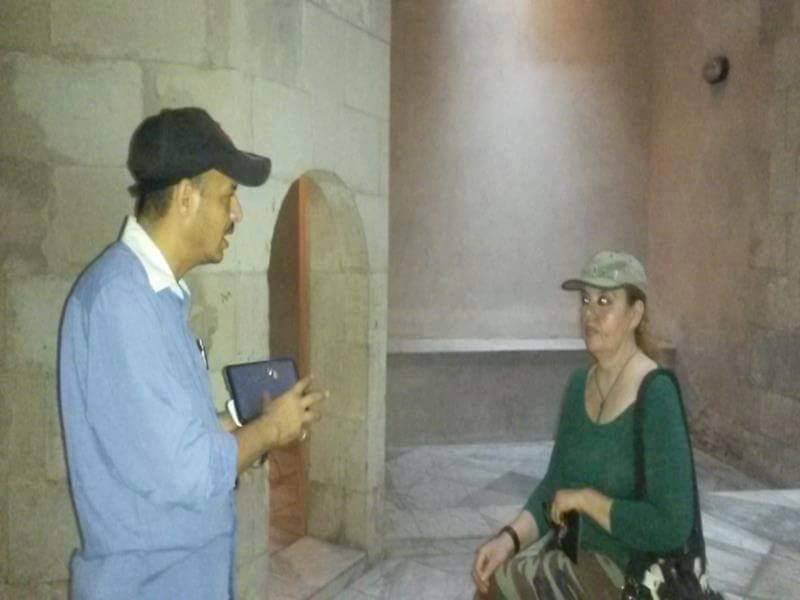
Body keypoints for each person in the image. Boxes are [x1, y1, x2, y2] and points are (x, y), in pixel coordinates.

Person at [58, 107, 325, 599]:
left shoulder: (156, 295)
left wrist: (240, 421)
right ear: (186, 197)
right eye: (228, 195)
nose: (237, 213)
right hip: (149, 585)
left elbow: (161, 438)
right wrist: (270, 431)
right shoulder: (121, 301)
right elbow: (188, 471)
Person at [471, 251, 695, 599]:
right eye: (586, 300)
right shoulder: (579, 386)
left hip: (630, 575)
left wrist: (588, 501)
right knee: (494, 580)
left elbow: (672, 524)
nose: (590, 314)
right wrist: (508, 540)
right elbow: (555, 485)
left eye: (605, 301)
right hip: (576, 558)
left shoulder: (656, 394)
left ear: (635, 313)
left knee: (500, 590)